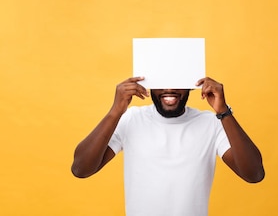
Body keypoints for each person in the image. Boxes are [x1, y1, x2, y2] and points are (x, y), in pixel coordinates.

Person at [71, 76, 265, 216]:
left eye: (178, 80)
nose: (169, 89)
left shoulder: (211, 123)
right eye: (161, 80)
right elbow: (81, 169)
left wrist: (223, 111)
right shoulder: (131, 119)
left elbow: (254, 174)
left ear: (191, 85)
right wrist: (115, 111)